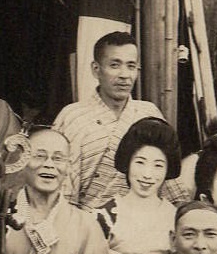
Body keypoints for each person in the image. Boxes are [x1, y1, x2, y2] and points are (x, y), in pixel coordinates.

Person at [51, 31, 164, 208]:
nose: (124, 75)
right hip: (85, 224)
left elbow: (169, 185)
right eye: (114, 65)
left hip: (142, 223)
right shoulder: (73, 117)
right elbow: (60, 190)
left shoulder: (149, 114)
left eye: (131, 66)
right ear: (96, 69)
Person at [96, 117, 180, 254]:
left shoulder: (177, 218)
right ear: (127, 163)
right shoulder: (104, 215)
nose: (147, 175)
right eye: (140, 162)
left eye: (158, 165)